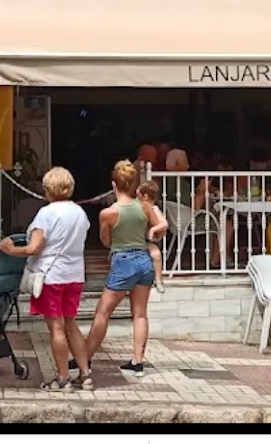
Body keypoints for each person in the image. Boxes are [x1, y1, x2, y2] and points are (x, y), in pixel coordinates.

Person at [0, 166, 93, 391]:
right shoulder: (80, 212)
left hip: (51, 277)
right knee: (71, 324)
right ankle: (85, 374)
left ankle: (62, 378)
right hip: (75, 275)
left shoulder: (46, 213)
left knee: (56, 328)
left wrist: (10, 249)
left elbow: (34, 248)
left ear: (48, 189)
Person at [75, 160, 162, 378]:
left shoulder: (108, 213)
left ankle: (85, 356)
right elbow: (157, 228)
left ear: (114, 184)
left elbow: (105, 240)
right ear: (134, 184)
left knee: (103, 313)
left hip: (123, 261)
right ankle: (137, 361)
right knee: (140, 314)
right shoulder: (144, 206)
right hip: (144, 259)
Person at [136, 180, 170, 294]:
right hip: (136, 239)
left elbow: (164, 223)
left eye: (138, 196)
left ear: (145, 196)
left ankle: (158, 279)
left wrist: (152, 229)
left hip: (147, 240)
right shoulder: (136, 207)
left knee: (156, 255)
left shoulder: (154, 209)